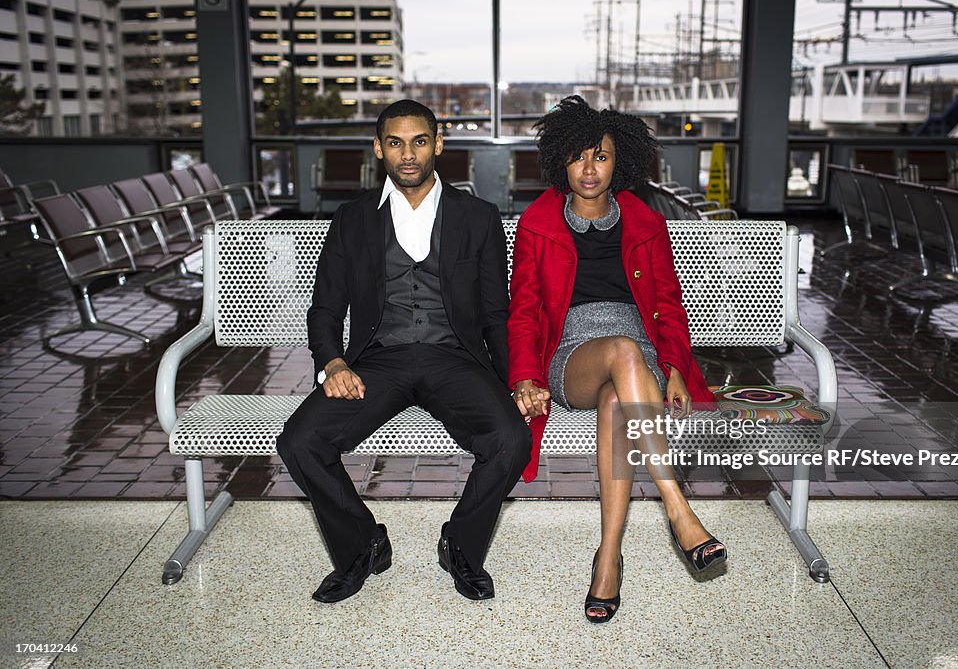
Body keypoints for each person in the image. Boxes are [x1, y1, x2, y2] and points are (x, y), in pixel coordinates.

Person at [277, 99, 531, 604]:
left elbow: (495, 313)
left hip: (455, 357)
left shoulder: (478, 217)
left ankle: (460, 544)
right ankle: (362, 545)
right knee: (301, 441)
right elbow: (325, 308)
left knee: (509, 440)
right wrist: (333, 362)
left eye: (419, 141)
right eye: (395, 142)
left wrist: (516, 378)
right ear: (378, 149)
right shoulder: (351, 220)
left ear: (439, 144)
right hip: (378, 360)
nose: (408, 154)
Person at [507, 95, 727, 623]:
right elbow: (523, 312)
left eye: (601, 157)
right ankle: (678, 508)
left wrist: (672, 367)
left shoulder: (646, 223)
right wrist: (524, 377)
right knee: (620, 356)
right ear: (562, 159)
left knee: (617, 407)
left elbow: (670, 307)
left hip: (640, 361)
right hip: (572, 355)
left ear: (618, 162)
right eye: (579, 156)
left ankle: (608, 558)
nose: (589, 168)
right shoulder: (537, 223)